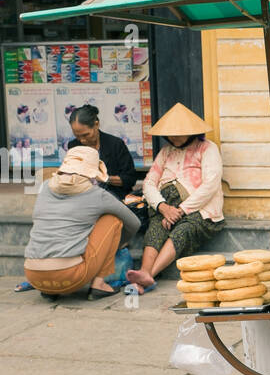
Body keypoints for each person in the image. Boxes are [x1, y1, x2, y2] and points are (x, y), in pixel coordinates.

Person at [126, 103, 224, 293]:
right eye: (170, 134)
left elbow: (210, 184)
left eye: (179, 133)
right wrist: (162, 207)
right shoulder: (166, 151)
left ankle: (147, 276)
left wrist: (181, 210)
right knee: (155, 229)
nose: (174, 137)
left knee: (182, 231)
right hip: (166, 209)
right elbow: (149, 183)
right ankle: (144, 272)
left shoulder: (207, 149)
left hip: (199, 211)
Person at [23, 144, 141, 299]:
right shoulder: (97, 194)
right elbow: (134, 223)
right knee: (112, 220)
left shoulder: (45, 187)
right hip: (70, 277)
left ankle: (50, 290)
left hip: (33, 275)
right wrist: (116, 245)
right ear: (92, 171)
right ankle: (99, 285)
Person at [67, 104, 138, 200]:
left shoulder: (115, 144)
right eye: (77, 136)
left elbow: (129, 179)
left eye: (86, 135)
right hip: (84, 198)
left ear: (96, 125)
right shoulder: (73, 146)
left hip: (114, 197)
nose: (82, 140)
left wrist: (105, 178)